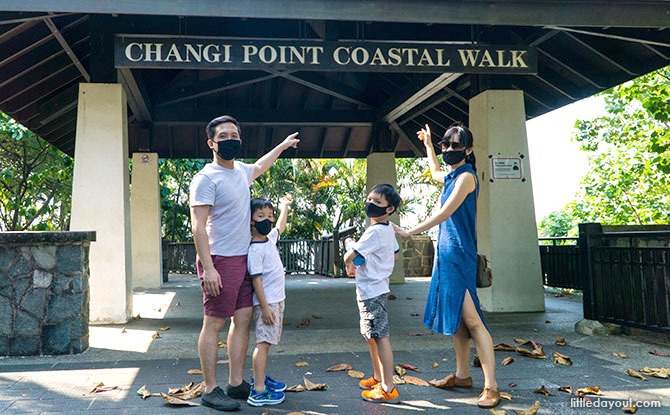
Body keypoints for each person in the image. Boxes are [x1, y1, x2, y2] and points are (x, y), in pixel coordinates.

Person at [189, 115, 299, 411]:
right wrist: (209, 267)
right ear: (211, 143)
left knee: (243, 320)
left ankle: (235, 383)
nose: (230, 140)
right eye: (223, 136)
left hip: (243, 258)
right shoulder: (205, 178)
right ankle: (211, 388)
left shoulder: (239, 171)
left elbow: (261, 165)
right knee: (214, 323)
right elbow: (198, 226)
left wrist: (283, 146)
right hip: (220, 260)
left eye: (234, 135)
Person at [393, 123, 500, 408]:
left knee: (474, 320)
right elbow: (435, 173)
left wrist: (408, 232)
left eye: (456, 145)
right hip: (447, 254)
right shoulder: (453, 175)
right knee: (458, 320)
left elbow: (444, 213)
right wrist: (428, 145)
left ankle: (491, 386)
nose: (450, 150)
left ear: (469, 150)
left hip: (459, 255)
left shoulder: (467, 177)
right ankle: (463, 376)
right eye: (446, 145)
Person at [343, 184, 402, 404]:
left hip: (371, 291)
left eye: (378, 202)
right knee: (371, 335)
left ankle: (388, 387)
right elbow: (394, 255)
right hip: (374, 288)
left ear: (390, 209)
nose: (371, 204)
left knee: (380, 336)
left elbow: (352, 255)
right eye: (370, 199)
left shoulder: (375, 231)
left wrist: (348, 259)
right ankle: (378, 376)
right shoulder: (387, 229)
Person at [246, 196, 292, 407]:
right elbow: (256, 279)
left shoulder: (269, 240)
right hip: (268, 303)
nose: (268, 220)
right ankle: (258, 391)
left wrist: (284, 207)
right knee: (262, 344)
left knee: (267, 343)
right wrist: (264, 307)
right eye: (261, 216)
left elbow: (281, 226)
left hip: (276, 300)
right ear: (251, 220)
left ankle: (261, 378)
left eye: (270, 216)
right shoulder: (255, 249)